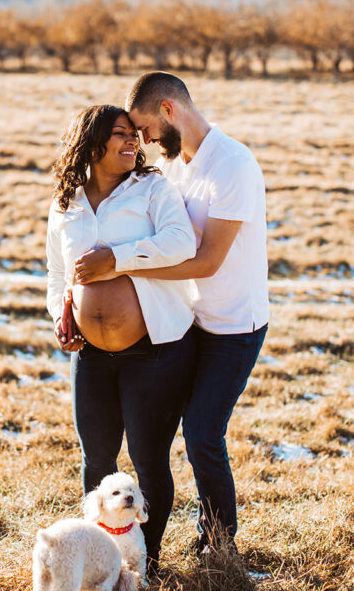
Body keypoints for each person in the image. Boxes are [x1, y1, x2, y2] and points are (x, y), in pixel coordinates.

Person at [72, 73, 269, 556]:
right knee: (160, 435)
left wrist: (116, 264)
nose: (142, 142)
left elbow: (204, 260)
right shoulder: (177, 164)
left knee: (203, 432)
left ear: (167, 110)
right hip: (188, 321)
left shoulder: (232, 165)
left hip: (232, 325)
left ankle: (218, 546)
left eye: (143, 129)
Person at [46, 104, 198, 574]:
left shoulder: (153, 189)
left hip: (154, 351)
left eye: (135, 134)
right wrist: (62, 315)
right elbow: (56, 273)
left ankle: (145, 564)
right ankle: (102, 564)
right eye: (120, 135)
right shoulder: (65, 203)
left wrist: (117, 258)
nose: (133, 142)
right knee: (97, 458)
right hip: (90, 354)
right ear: (91, 143)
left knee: (148, 459)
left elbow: (181, 242)